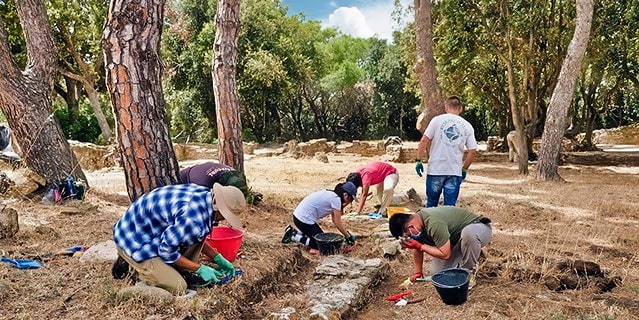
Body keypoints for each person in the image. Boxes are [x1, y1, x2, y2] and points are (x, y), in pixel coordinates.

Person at [112, 183, 247, 295]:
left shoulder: (205, 196)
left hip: (152, 231)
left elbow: (196, 235)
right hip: (134, 241)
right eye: (226, 216)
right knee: (177, 287)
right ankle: (135, 272)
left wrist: (217, 257)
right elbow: (166, 252)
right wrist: (199, 268)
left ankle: (176, 269)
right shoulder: (192, 219)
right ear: (219, 210)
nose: (226, 220)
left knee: (189, 246)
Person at [388, 206, 492, 288]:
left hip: (479, 228)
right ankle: (472, 255)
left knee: (469, 234)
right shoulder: (417, 225)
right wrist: (418, 272)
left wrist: (420, 246)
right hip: (456, 240)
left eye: (409, 235)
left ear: (411, 227)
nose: (411, 237)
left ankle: (469, 271)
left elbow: (445, 254)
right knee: (437, 274)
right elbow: (417, 249)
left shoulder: (434, 223)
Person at [415, 96, 477, 207]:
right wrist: (464, 169)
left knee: (432, 204)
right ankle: (448, 224)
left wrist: (418, 160)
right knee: (449, 208)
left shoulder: (436, 120)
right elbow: (472, 151)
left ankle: (431, 223)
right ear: (460, 108)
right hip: (454, 172)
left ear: (446, 107)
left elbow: (424, 140)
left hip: (435, 170)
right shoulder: (467, 126)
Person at [281, 182, 358, 254]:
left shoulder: (332, 195)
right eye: (350, 199)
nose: (349, 202)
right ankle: (294, 236)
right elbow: (338, 222)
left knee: (320, 237)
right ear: (345, 194)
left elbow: (334, 220)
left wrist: (347, 234)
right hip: (303, 219)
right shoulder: (336, 199)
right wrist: (348, 237)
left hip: (299, 217)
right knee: (320, 244)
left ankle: (295, 232)